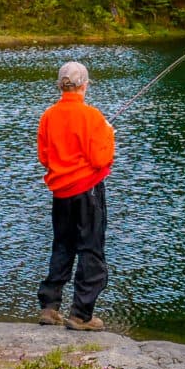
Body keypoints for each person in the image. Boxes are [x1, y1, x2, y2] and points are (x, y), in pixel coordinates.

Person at [36, 60, 114, 329]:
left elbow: (45, 157)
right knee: (91, 251)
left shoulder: (48, 115)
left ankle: (49, 307)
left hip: (60, 194)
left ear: (61, 85)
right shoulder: (93, 117)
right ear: (85, 85)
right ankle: (81, 314)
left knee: (62, 247)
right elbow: (100, 158)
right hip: (88, 192)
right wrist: (108, 135)